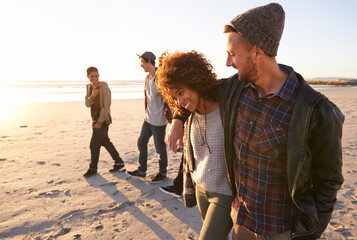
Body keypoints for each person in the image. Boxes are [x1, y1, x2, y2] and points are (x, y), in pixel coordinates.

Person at [168, 3, 344, 240]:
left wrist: (307, 232)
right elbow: (197, 93)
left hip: (281, 230)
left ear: (257, 52)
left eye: (232, 53)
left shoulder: (317, 110)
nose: (228, 62)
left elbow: (328, 183)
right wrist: (179, 119)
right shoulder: (235, 89)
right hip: (241, 221)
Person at [157, 51, 234, 240]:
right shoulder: (189, 115)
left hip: (225, 192)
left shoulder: (229, 105)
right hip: (199, 188)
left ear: (196, 81)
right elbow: (181, 106)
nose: (179, 101)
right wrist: (177, 120)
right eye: (174, 97)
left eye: (181, 92)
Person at [127, 51, 169, 183]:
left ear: (149, 62)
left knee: (159, 148)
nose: (141, 66)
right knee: (141, 142)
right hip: (148, 119)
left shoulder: (160, 78)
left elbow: (167, 99)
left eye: (142, 63)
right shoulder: (148, 78)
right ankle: (142, 170)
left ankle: (162, 172)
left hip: (158, 120)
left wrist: (172, 119)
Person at [83, 66, 125, 177]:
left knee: (93, 145)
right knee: (105, 141)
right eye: (92, 76)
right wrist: (93, 95)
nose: (95, 78)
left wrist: (100, 122)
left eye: (96, 75)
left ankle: (93, 168)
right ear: (88, 77)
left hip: (103, 121)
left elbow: (106, 107)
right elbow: (87, 104)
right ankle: (119, 161)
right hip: (94, 119)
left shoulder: (104, 87)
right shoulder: (88, 87)